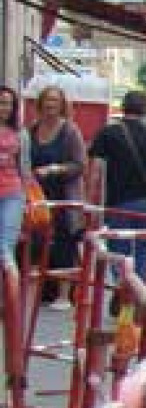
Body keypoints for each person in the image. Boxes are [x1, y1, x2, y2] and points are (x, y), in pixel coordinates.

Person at [88, 90, 146, 285]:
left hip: (118, 201)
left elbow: (96, 169)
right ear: (145, 110)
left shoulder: (108, 133)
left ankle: (122, 287)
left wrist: (91, 201)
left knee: (118, 248)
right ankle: (137, 290)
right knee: (143, 248)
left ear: (124, 106)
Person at [25, 86, 87, 308]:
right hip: (36, 195)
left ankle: (64, 295)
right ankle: (38, 291)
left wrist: (54, 169)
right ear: (40, 103)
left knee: (64, 243)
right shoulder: (32, 130)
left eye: (55, 100)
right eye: (47, 100)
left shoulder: (70, 131)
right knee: (35, 243)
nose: (51, 104)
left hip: (63, 196)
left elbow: (80, 165)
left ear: (62, 105)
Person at [0, 86, 31, 264]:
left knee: (5, 249)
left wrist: (27, 199)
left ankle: (12, 290)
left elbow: (24, 168)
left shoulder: (20, 132)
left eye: (9, 104)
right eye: (1, 103)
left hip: (12, 194)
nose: (4, 108)